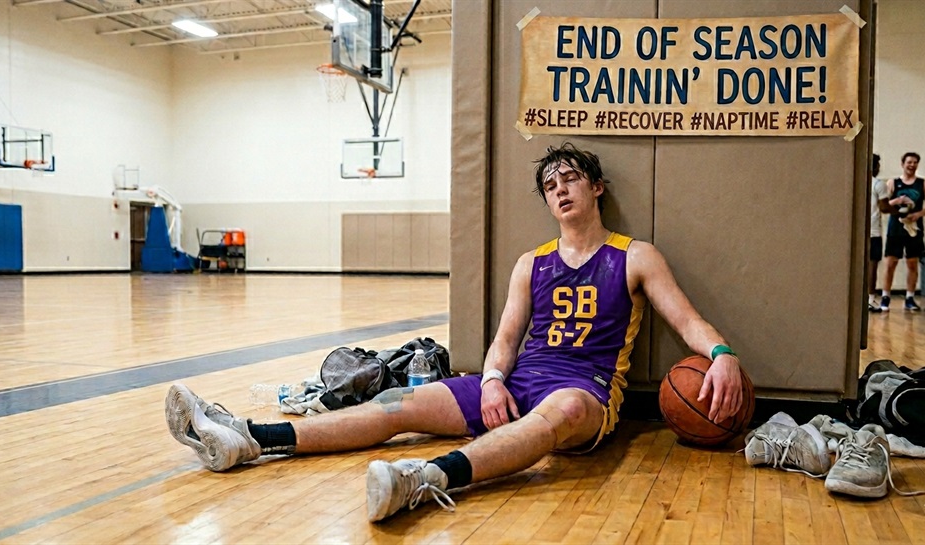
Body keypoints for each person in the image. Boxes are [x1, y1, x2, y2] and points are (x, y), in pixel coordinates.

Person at [165, 143, 745, 522]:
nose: (561, 189)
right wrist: (492, 380)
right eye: (551, 185)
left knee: (559, 414)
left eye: (571, 178)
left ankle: (424, 480)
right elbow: (506, 340)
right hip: (517, 382)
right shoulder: (531, 262)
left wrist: (720, 353)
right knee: (397, 403)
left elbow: (686, 320)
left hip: (585, 391)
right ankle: (249, 437)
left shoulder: (635, 255)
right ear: (547, 201)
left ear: (596, 188)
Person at [880, 152, 925, 311]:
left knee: (912, 263)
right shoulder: (892, 183)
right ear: (902, 164)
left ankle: (910, 297)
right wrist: (897, 201)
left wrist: (917, 215)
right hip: (896, 227)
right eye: (909, 162)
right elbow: (884, 205)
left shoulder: (923, 183)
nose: (912, 165)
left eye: (915, 162)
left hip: (914, 228)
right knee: (890, 263)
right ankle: (885, 296)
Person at [869, 153, 888, 312]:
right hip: (873, 231)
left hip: (857, 231)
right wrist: (899, 209)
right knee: (871, 265)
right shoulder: (878, 184)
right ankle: (870, 299)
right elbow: (884, 207)